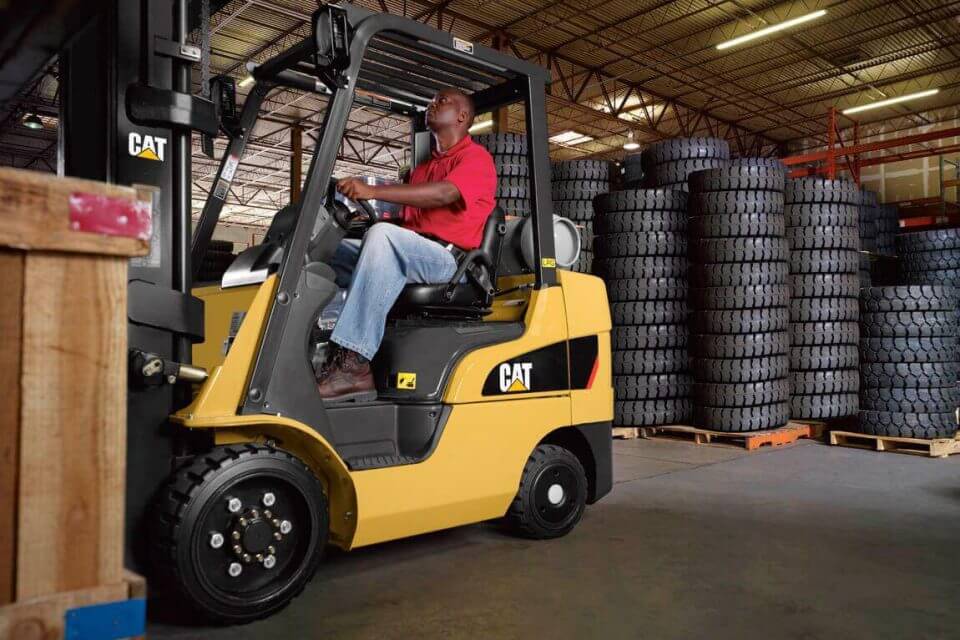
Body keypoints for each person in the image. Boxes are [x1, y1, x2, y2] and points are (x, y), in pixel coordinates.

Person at [316, 88, 497, 402]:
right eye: (431, 99)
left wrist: (374, 192)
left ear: (462, 116)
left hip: (449, 263)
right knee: (330, 248)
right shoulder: (422, 169)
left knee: (383, 236)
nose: (432, 103)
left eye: (442, 101)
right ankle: (310, 342)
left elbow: (444, 194)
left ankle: (354, 363)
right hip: (415, 252)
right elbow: (411, 226)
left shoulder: (476, 159)